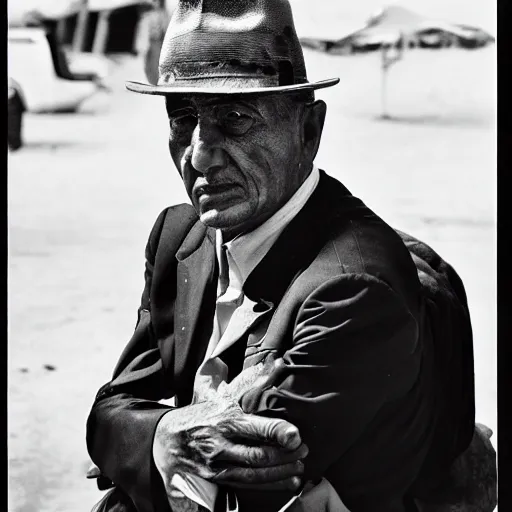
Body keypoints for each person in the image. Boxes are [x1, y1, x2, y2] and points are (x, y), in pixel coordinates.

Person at [86, 1, 495, 511]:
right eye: (182, 116)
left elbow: (228, 488)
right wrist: (163, 434)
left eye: (235, 118)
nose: (198, 154)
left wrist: (143, 442)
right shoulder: (180, 234)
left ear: (308, 131)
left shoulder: (354, 285)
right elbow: (111, 410)